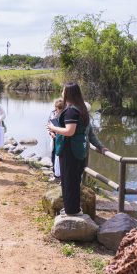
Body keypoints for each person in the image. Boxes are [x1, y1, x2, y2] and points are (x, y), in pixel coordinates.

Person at [47, 83, 89, 215]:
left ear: (69, 93)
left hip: (70, 149)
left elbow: (69, 131)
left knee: (69, 180)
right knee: (74, 180)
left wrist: (53, 128)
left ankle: (71, 210)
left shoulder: (71, 110)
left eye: (63, 90)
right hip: (78, 148)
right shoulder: (81, 108)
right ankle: (73, 208)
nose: (62, 92)